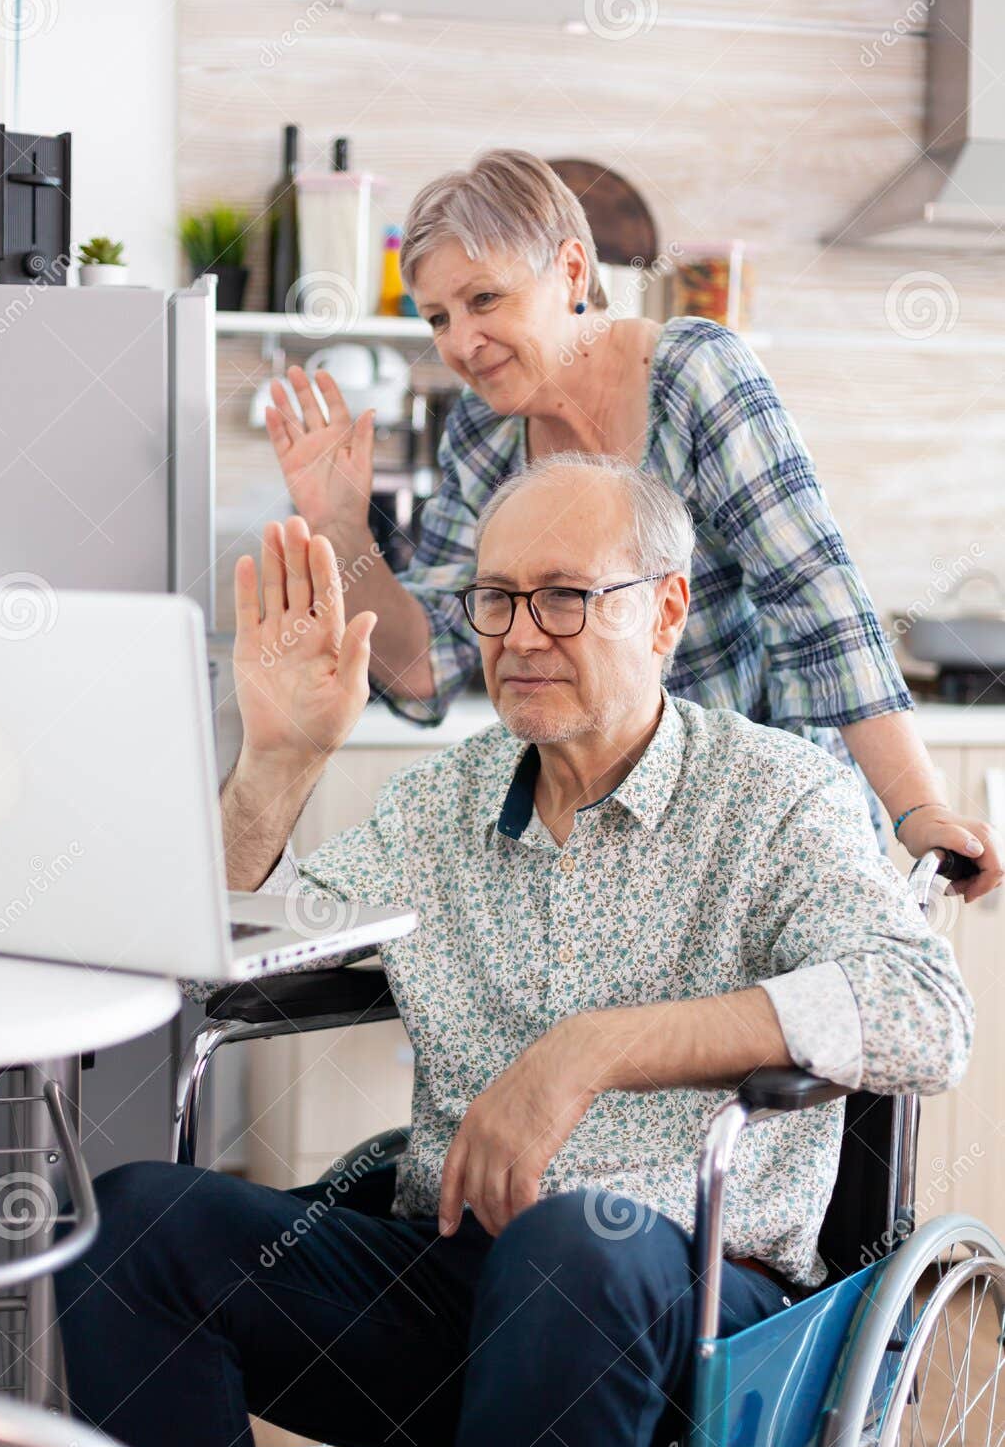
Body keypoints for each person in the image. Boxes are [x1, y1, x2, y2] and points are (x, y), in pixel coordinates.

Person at [54, 455, 972, 1447]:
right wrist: (277, 762)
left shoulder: (778, 795)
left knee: (574, 1243)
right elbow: (218, 957)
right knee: (131, 1226)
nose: (519, 634)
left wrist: (586, 1050)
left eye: (565, 597)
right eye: (493, 598)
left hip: (699, 1325)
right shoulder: (438, 804)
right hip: (457, 1294)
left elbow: (923, 1010)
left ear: (665, 611)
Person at [263, 148, 1000, 899]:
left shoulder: (692, 374)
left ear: (572, 273)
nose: (457, 342)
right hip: (609, 843)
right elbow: (426, 674)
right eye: (437, 318)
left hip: (761, 821)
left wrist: (917, 807)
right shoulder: (482, 438)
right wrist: (342, 528)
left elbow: (817, 601)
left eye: (483, 300)